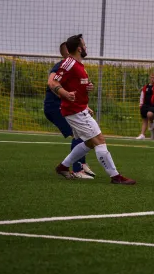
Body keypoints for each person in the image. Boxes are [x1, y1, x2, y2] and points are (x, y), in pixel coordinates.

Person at [51, 34, 136, 184]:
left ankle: (62, 166)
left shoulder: (78, 64)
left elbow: (76, 84)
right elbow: (53, 83)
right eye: (84, 45)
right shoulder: (69, 63)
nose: (85, 47)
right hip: (74, 111)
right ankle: (115, 176)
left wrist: (86, 87)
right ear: (79, 48)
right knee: (99, 140)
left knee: (90, 142)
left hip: (79, 109)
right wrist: (65, 94)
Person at [44, 42, 95, 179]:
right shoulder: (63, 65)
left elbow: (77, 89)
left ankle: (81, 164)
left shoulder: (74, 67)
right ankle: (77, 169)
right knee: (78, 134)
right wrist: (65, 95)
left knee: (82, 134)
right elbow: (51, 82)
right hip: (55, 107)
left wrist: (85, 105)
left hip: (65, 106)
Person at [136, 73, 154, 140]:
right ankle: (142, 134)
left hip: (152, 105)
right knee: (144, 120)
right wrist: (141, 104)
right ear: (149, 78)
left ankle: (152, 123)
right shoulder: (145, 87)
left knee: (149, 115)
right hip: (145, 105)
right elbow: (142, 95)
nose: (153, 79)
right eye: (151, 77)